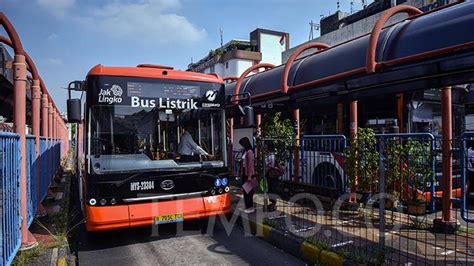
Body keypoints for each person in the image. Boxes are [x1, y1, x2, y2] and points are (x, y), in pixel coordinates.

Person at [265, 141, 283, 212]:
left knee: (272, 189)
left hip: (272, 175)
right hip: (269, 174)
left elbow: (271, 166)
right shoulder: (268, 154)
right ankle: (272, 204)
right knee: (270, 189)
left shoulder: (271, 155)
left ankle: (273, 205)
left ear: (269, 146)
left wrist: (265, 171)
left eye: (266, 145)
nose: (265, 147)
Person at [239, 137, 255, 213]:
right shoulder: (245, 151)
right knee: (245, 191)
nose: (241, 146)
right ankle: (247, 207)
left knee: (249, 192)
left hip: (249, 175)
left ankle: (250, 207)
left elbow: (250, 165)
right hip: (245, 174)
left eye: (242, 144)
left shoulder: (249, 152)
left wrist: (249, 176)